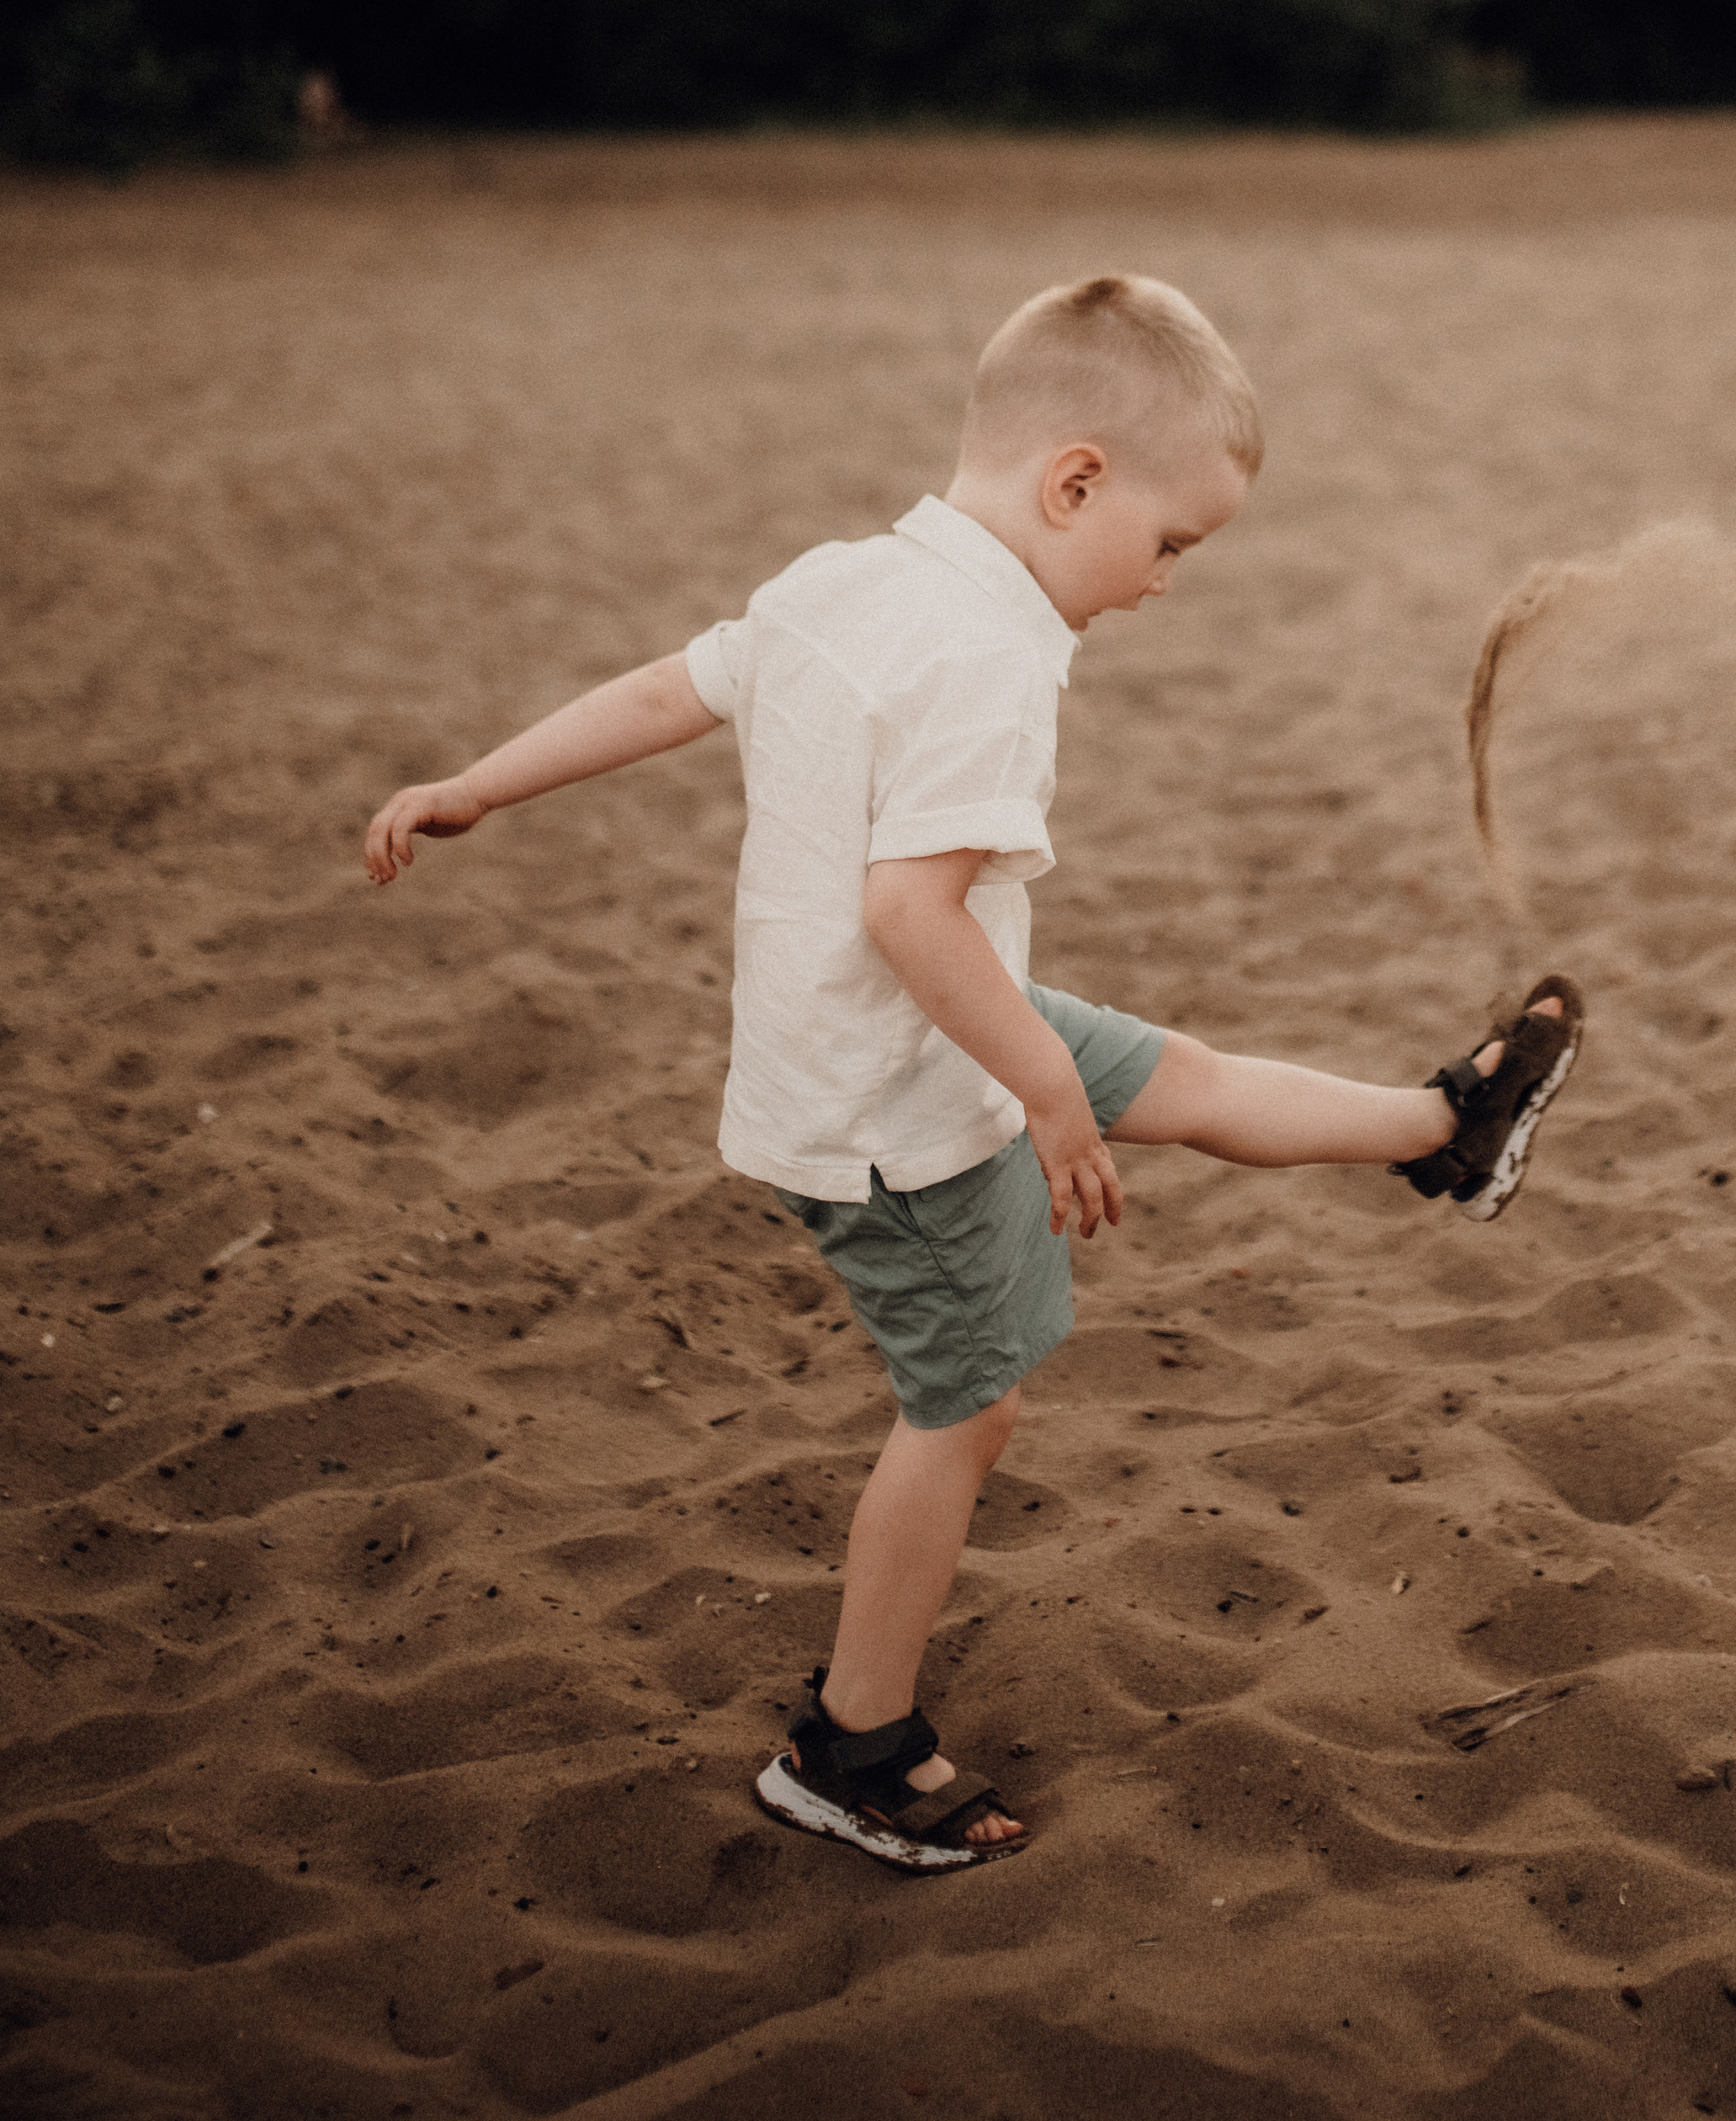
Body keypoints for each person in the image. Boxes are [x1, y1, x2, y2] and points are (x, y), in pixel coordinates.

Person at [363, 274, 1581, 1873]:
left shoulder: (840, 580)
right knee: (965, 1408)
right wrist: (1047, 1096)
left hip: (923, 1023)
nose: (1160, 588)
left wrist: (479, 783)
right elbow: (907, 909)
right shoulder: (986, 659)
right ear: (1074, 481)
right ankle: (852, 1740)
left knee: (1191, 1076)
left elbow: (678, 686)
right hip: (898, 1101)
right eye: (1168, 547)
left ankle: (1448, 1130)